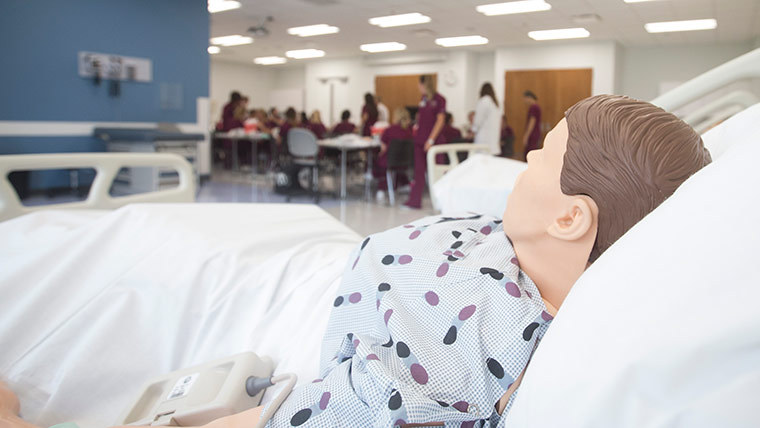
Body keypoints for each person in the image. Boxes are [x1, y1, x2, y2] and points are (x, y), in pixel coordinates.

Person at [2, 96, 712, 428]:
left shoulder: (483, 347)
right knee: (150, 229)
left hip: (297, 304)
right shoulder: (524, 240)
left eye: (544, 157)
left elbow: (350, 410)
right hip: (317, 252)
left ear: (570, 218)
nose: (525, 160)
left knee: (123, 251)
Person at [405, 74, 445, 209]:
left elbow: (440, 120)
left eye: (419, 84)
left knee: (437, 172)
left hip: (433, 142)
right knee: (419, 172)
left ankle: (441, 202)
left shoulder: (439, 99)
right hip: (420, 141)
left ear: (424, 84)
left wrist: (431, 140)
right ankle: (414, 201)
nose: (418, 87)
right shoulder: (423, 99)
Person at [374, 107, 413, 201]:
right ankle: (404, 183)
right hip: (405, 162)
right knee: (394, 163)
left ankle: (381, 189)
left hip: (390, 161)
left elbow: (383, 148)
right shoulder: (409, 131)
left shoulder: (389, 130)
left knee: (378, 160)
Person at [471, 83, 502, 155]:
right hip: (493, 139)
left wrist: (473, 130)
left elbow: (478, 121)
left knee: (482, 160)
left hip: (484, 139)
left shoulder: (484, 101)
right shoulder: (495, 103)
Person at [522, 90, 541, 160]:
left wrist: (526, 136)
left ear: (529, 97)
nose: (525, 101)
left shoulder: (534, 107)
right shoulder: (536, 107)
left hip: (532, 134)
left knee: (530, 154)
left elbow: (532, 122)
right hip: (535, 134)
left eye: (525, 99)